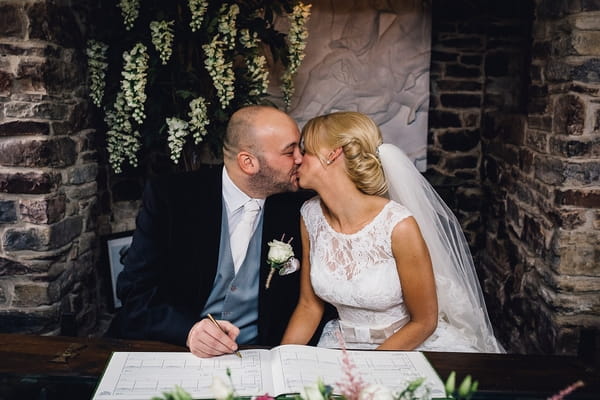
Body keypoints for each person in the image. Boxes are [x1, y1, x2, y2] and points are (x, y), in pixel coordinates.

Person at [108, 105, 322, 357]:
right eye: (290, 151)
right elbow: (134, 293)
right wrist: (188, 331)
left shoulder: (302, 207)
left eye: (300, 148)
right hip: (174, 349)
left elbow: (314, 302)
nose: (300, 158)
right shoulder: (171, 198)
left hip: (259, 354)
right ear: (248, 162)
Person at [281, 111, 504, 352]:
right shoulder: (310, 215)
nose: (297, 159)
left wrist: (367, 368)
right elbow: (308, 306)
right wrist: (281, 360)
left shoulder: (398, 225)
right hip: (340, 344)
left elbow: (424, 322)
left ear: (333, 154)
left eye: (305, 150)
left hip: (405, 346)